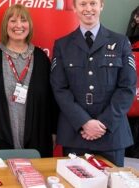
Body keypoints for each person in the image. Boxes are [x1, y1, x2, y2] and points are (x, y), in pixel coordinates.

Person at [50, 0, 136, 166]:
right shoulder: (62, 45)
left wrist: (103, 123)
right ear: (74, 8)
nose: (88, 9)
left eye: (93, 3)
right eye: (82, 4)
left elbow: (127, 87)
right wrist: (84, 122)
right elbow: (59, 88)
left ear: (101, 6)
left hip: (111, 134)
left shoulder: (121, 42)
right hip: (76, 134)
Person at [0, 4, 58, 157]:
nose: (18, 25)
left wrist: (53, 131)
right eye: (12, 21)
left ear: (29, 26)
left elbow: (51, 100)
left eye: (23, 20)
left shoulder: (41, 58)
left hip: (38, 137)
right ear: (6, 25)